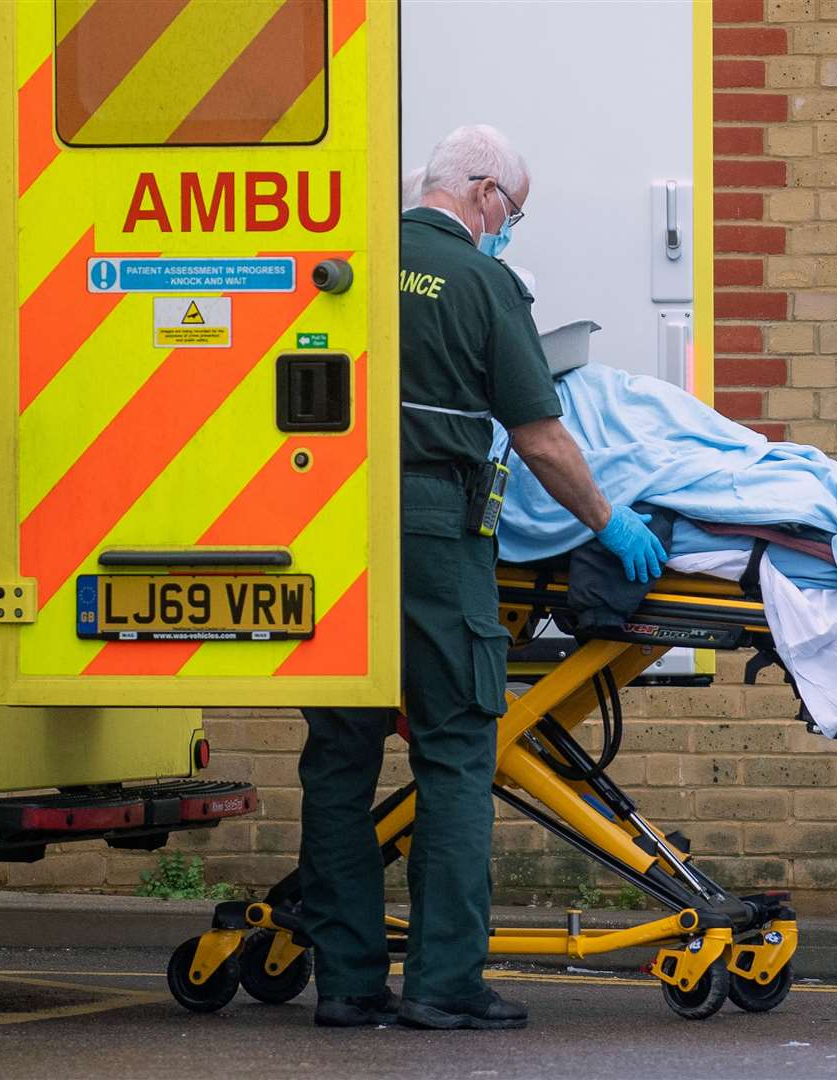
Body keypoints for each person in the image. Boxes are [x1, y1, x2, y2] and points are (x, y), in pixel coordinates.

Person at [298, 124, 667, 1031]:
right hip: (431, 525)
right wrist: (607, 521)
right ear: (485, 193)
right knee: (458, 750)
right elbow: (540, 436)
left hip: (330, 526)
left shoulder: (345, 261)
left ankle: (345, 985)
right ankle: (444, 982)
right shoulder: (480, 280)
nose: (512, 228)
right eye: (516, 210)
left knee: (339, 760)